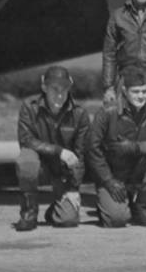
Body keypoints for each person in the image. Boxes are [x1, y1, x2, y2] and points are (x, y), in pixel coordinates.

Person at [87, 67, 146, 227]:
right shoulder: (107, 112)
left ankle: (141, 206)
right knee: (117, 219)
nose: (141, 96)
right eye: (136, 92)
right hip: (113, 174)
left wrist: (134, 147)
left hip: (137, 172)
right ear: (125, 91)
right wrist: (108, 181)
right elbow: (92, 149)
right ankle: (110, 205)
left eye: (144, 91)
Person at [13, 66, 90, 232]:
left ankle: (56, 208)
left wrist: (74, 188)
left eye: (64, 90)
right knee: (26, 160)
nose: (60, 95)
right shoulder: (29, 107)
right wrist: (59, 151)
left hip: (63, 173)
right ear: (44, 87)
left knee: (68, 221)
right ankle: (29, 213)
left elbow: (81, 154)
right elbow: (26, 140)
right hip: (40, 166)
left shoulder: (80, 114)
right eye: (54, 89)